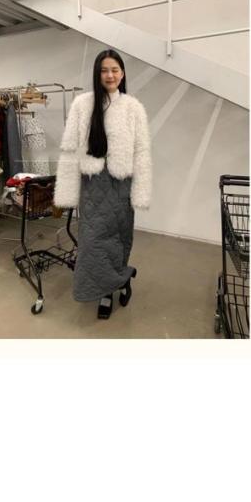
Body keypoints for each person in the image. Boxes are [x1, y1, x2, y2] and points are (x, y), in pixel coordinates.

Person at [54, 49, 152, 319]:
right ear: (97, 74)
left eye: (115, 70)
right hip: (93, 186)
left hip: (121, 187)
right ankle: (108, 289)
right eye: (104, 70)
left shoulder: (133, 107)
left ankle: (118, 281)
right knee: (92, 243)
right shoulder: (82, 105)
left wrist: (141, 192)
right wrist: (66, 192)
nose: (110, 75)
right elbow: (69, 149)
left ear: (122, 74)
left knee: (119, 240)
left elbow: (142, 152)